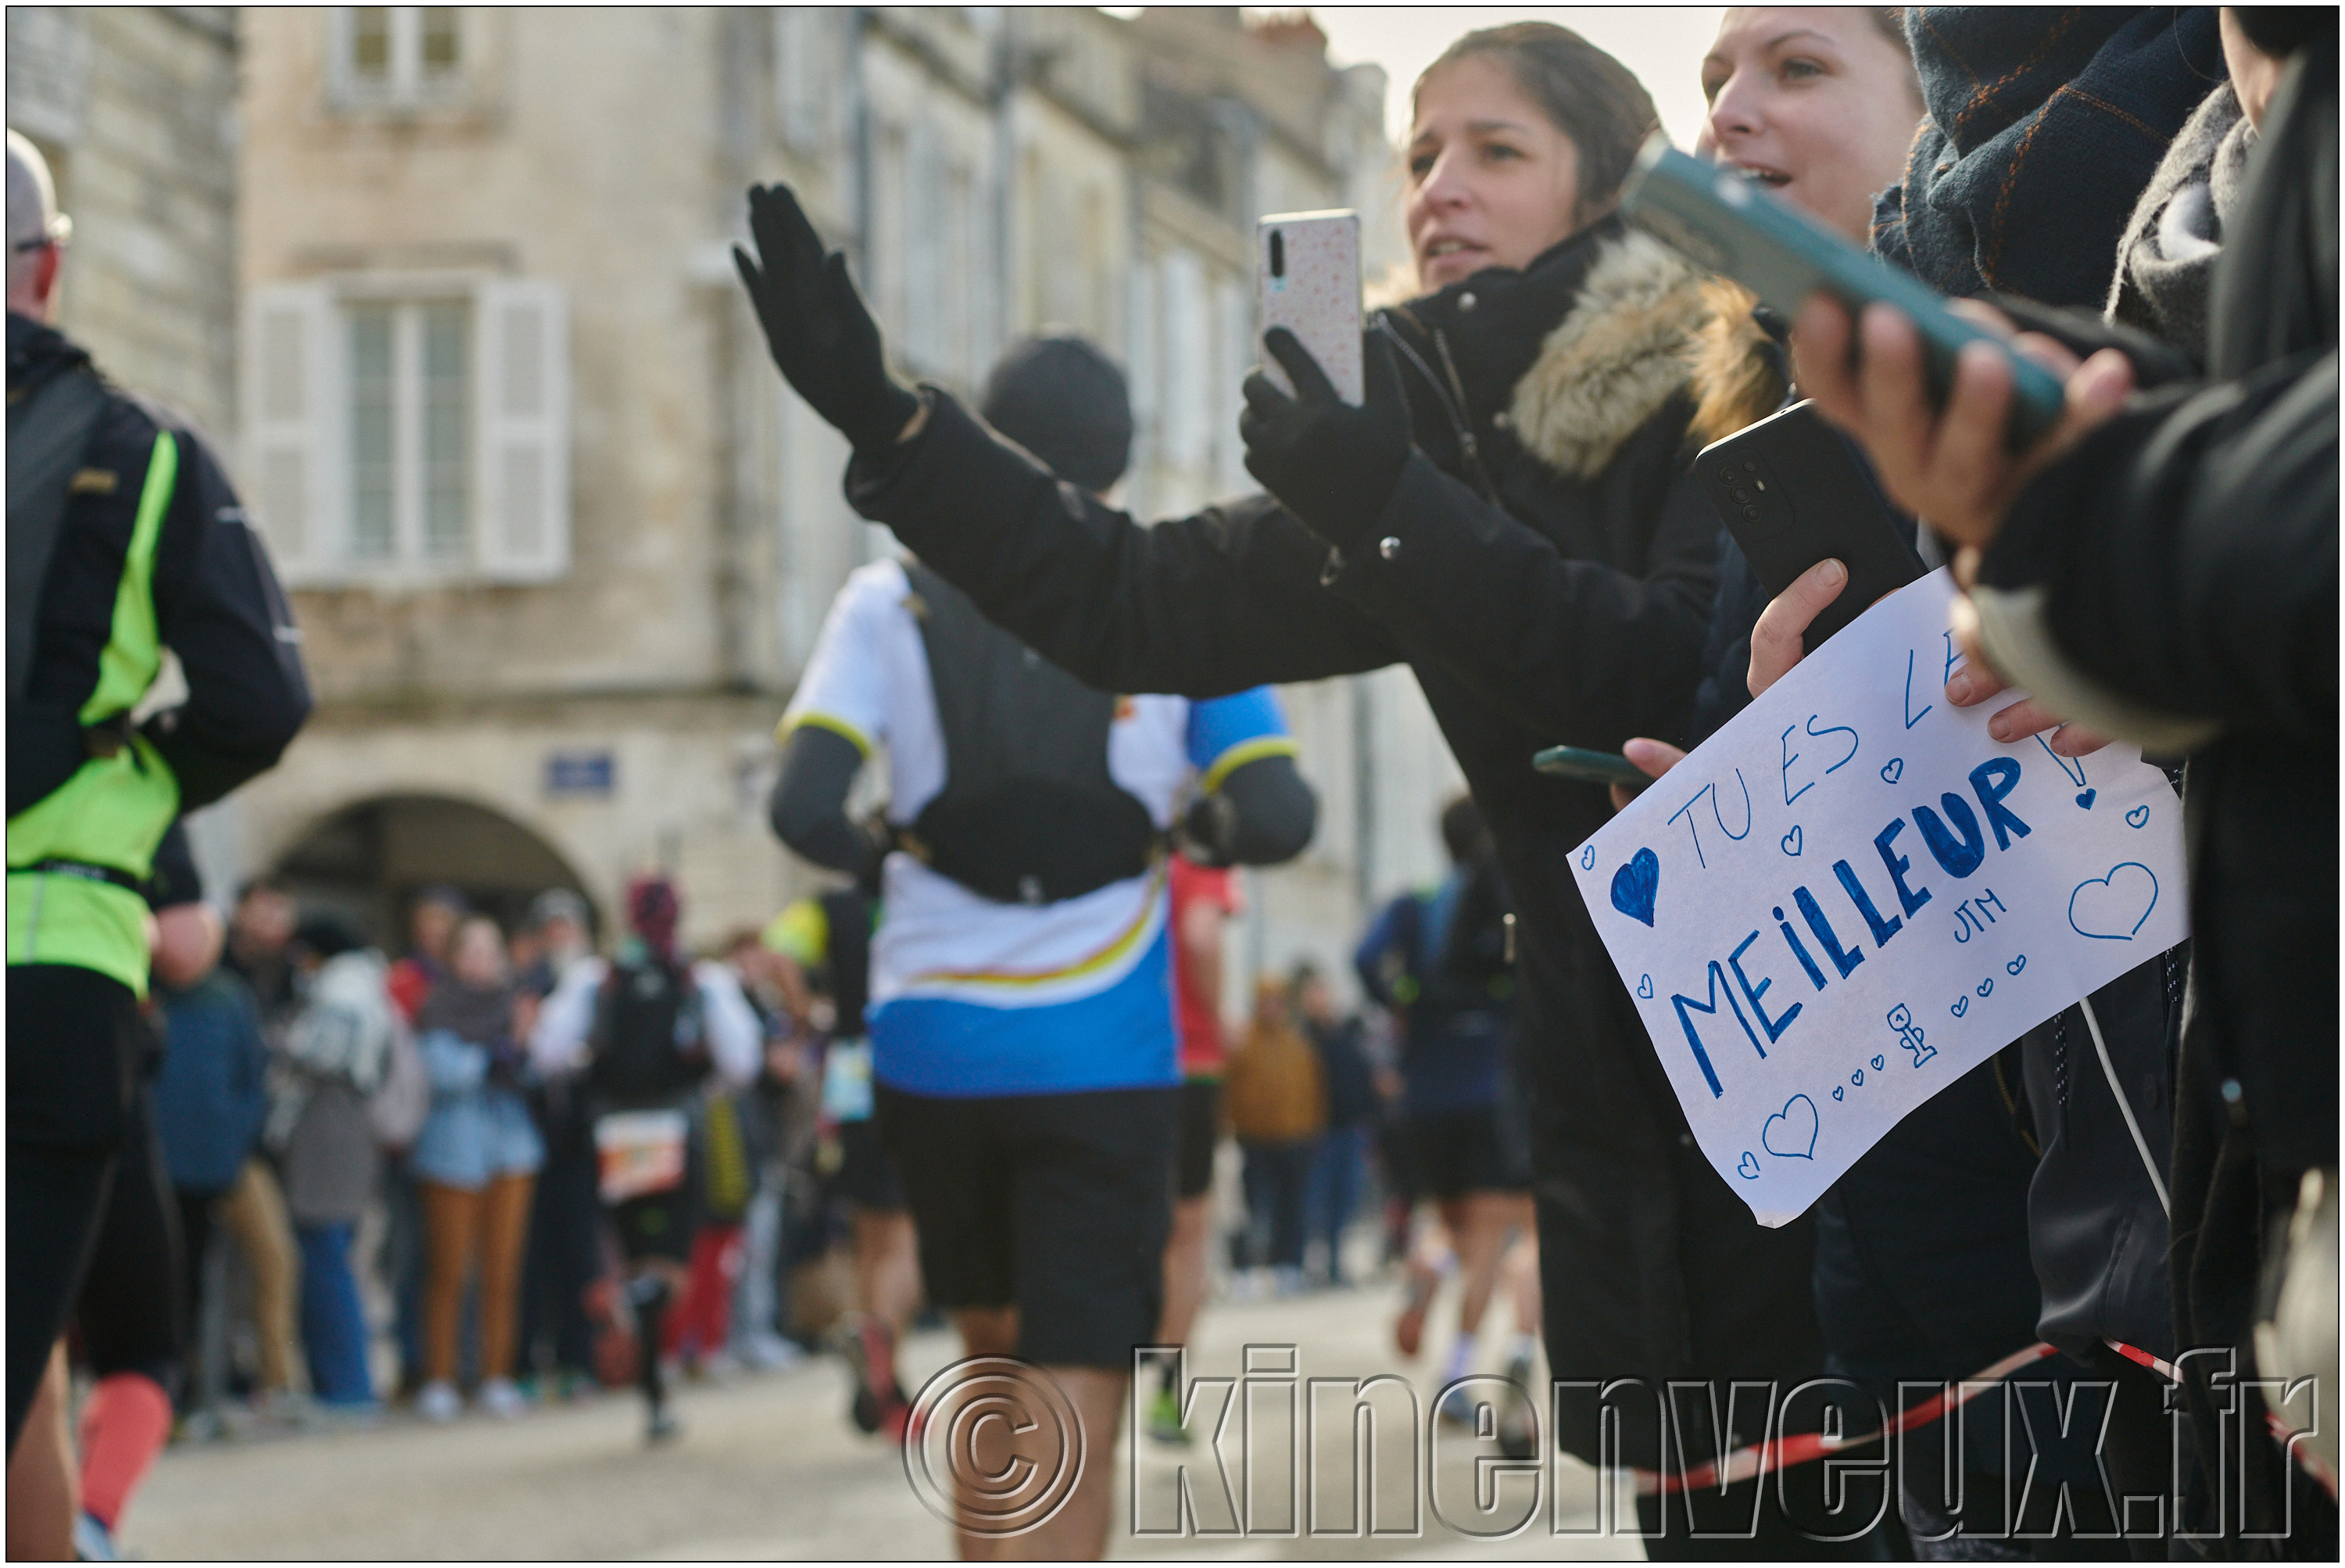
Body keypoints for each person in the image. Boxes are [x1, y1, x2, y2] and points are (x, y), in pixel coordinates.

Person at [732, 28, 1842, 1548]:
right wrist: (896, 426)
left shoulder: (1726, 359)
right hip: (1605, 1080)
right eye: (1421, 156)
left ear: (1611, 185)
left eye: (1495, 152)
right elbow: (1137, 600)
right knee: (1706, 1512)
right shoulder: (1407, 422)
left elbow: (1653, 675)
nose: (1440, 188)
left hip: (1820, 1039)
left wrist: (1386, 499)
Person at [1792, 7, 2337, 1544]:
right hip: (2199, 1182)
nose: (1740, 117)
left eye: (1798, 63)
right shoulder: (2217, 162)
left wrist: (2086, 534)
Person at [764, 330, 1316, 1559]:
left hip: (932, 1041)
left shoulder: (884, 596)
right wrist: (1184, 824)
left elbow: (803, 805)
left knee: (989, 1351)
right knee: (1078, 1368)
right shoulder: (1172, 595)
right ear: (1121, 458)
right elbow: (1281, 813)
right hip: (1102, 1042)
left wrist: (895, 855)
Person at [7, 127, 310, 1452]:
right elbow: (262, 699)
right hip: (56, 957)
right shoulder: (149, 454)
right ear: (48, 269)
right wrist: (126, 768)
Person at [532, 875, 764, 1443]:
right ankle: (649, 1357)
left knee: (636, 1253)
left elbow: (547, 1052)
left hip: (613, 1132)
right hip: (678, 1129)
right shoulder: (700, 979)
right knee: (673, 1269)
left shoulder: (597, 977)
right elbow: (742, 1063)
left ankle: (651, 1387)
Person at [1353, 797, 1535, 1411]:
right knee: (1490, 1235)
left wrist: (1404, 997)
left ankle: (1426, 1274)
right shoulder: (1502, 899)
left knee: (1443, 1217)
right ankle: (1458, 1374)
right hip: (1488, 1085)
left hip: (1423, 1092)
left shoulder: (1417, 901)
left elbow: (1362, 957)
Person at [764, 890, 919, 1441]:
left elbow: (775, 950)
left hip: (850, 1072)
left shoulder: (829, 907)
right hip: (910, 1063)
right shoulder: (916, 895)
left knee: (869, 1235)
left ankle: (884, 1371)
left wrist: (804, 1010)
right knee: (906, 1238)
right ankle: (880, 1346)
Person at [271, 915, 414, 1414]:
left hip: (330, 1127)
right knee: (334, 1254)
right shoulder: (367, 989)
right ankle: (343, 1381)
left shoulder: (342, 993)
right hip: (349, 1130)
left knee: (326, 1256)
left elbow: (313, 1054)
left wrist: (281, 1038)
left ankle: (347, 1385)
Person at [410, 915, 543, 1423]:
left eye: (492, 950)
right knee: (448, 1273)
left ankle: (497, 1375)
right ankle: (440, 1376)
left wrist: (522, 1043)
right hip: (452, 1153)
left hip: (511, 1148)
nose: (483, 961)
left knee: (502, 1273)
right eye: (473, 950)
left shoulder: (514, 1008)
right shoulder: (440, 1007)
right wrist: (502, 1046)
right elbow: (448, 1074)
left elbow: (537, 1071)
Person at [1147, 851, 1241, 1442]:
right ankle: (1165, 1386)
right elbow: (1201, 934)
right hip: (1189, 1061)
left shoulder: (1115, 842)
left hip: (1106, 1061)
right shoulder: (1199, 855)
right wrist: (1217, 1016)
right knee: (1188, 1232)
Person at [515, 889, 605, 1400]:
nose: (560, 937)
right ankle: (526, 1360)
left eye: (567, 927)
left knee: (581, 1254)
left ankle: (579, 1360)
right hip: (531, 1138)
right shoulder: (527, 988)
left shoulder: (598, 986)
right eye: (551, 928)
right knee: (531, 1258)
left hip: (580, 1139)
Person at [1223, 977, 1326, 1293]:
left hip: (1294, 1138)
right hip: (1254, 1138)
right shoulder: (1243, 1046)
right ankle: (1245, 1268)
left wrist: (1311, 1129)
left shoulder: (1297, 1045)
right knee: (1250, 1209)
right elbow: (1229, 1092)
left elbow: (1313, 1090)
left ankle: (1288, 1265)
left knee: (1291, 1206)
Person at [1296, 964, 1375, 1287]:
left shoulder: (1344, 1034)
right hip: (1318, 1131)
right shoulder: (1302, 1039)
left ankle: (1335, 1263)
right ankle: (1310, 1264)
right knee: (1317, 1202)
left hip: (1350, 1128)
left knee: (1345, 1201)